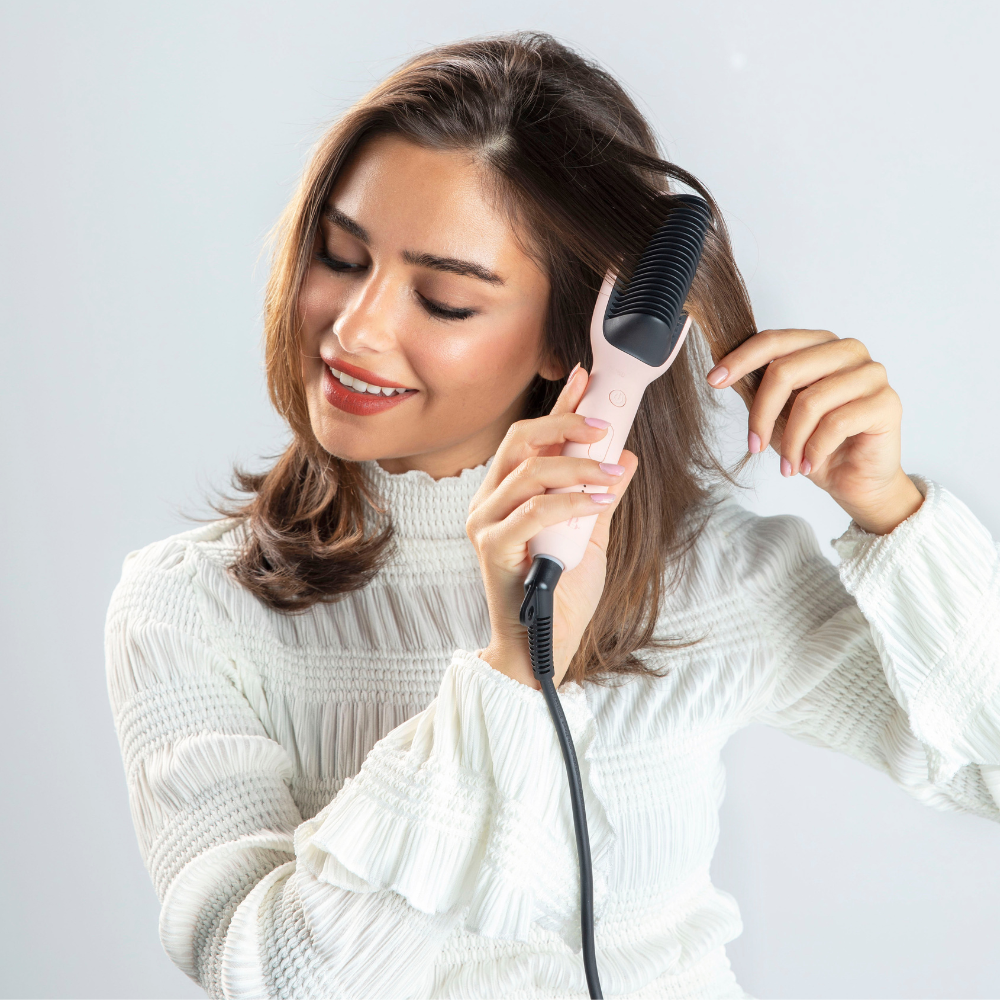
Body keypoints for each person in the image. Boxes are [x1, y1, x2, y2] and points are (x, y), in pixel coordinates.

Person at [104, 31, 1000, 1000]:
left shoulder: (705, 575)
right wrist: (510, 675)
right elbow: (274, 975)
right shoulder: (193, 609)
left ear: (575, 334)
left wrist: (894, 515)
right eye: (339, 255)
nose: (353, 330)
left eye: (444, 300)